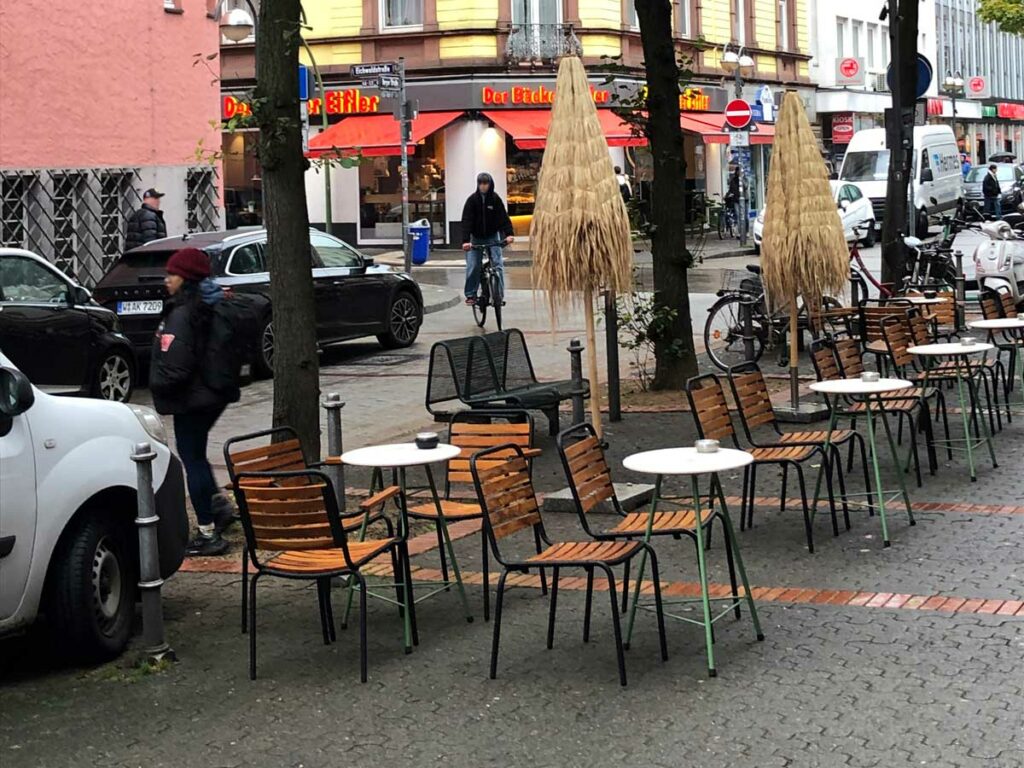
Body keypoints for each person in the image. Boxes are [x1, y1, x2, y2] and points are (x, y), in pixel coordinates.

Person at [149, 247, 236, 556]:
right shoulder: (210, 304)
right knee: (196, 453)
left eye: (171, 274)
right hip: (213, 393)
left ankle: (207, 532)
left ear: (184, 278)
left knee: (192, 457)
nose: (166, 280)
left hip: (193, 398)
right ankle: (218, 508)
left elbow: (177, 365)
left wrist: (156, 383)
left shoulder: (183, 313)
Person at [461, 172, 514, 305]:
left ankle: (499, 296)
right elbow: (466, 221)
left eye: (486, 183)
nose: (483, 186)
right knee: (473, 265)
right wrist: (465, 241)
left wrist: (509, 234)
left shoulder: (495, 199)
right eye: (481, 183)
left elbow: (503, 217)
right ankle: (471, 295)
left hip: (492, 237)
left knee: (498, 265)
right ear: (478, 185)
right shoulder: (472, 201)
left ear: (490, 184)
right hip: (475, 237)